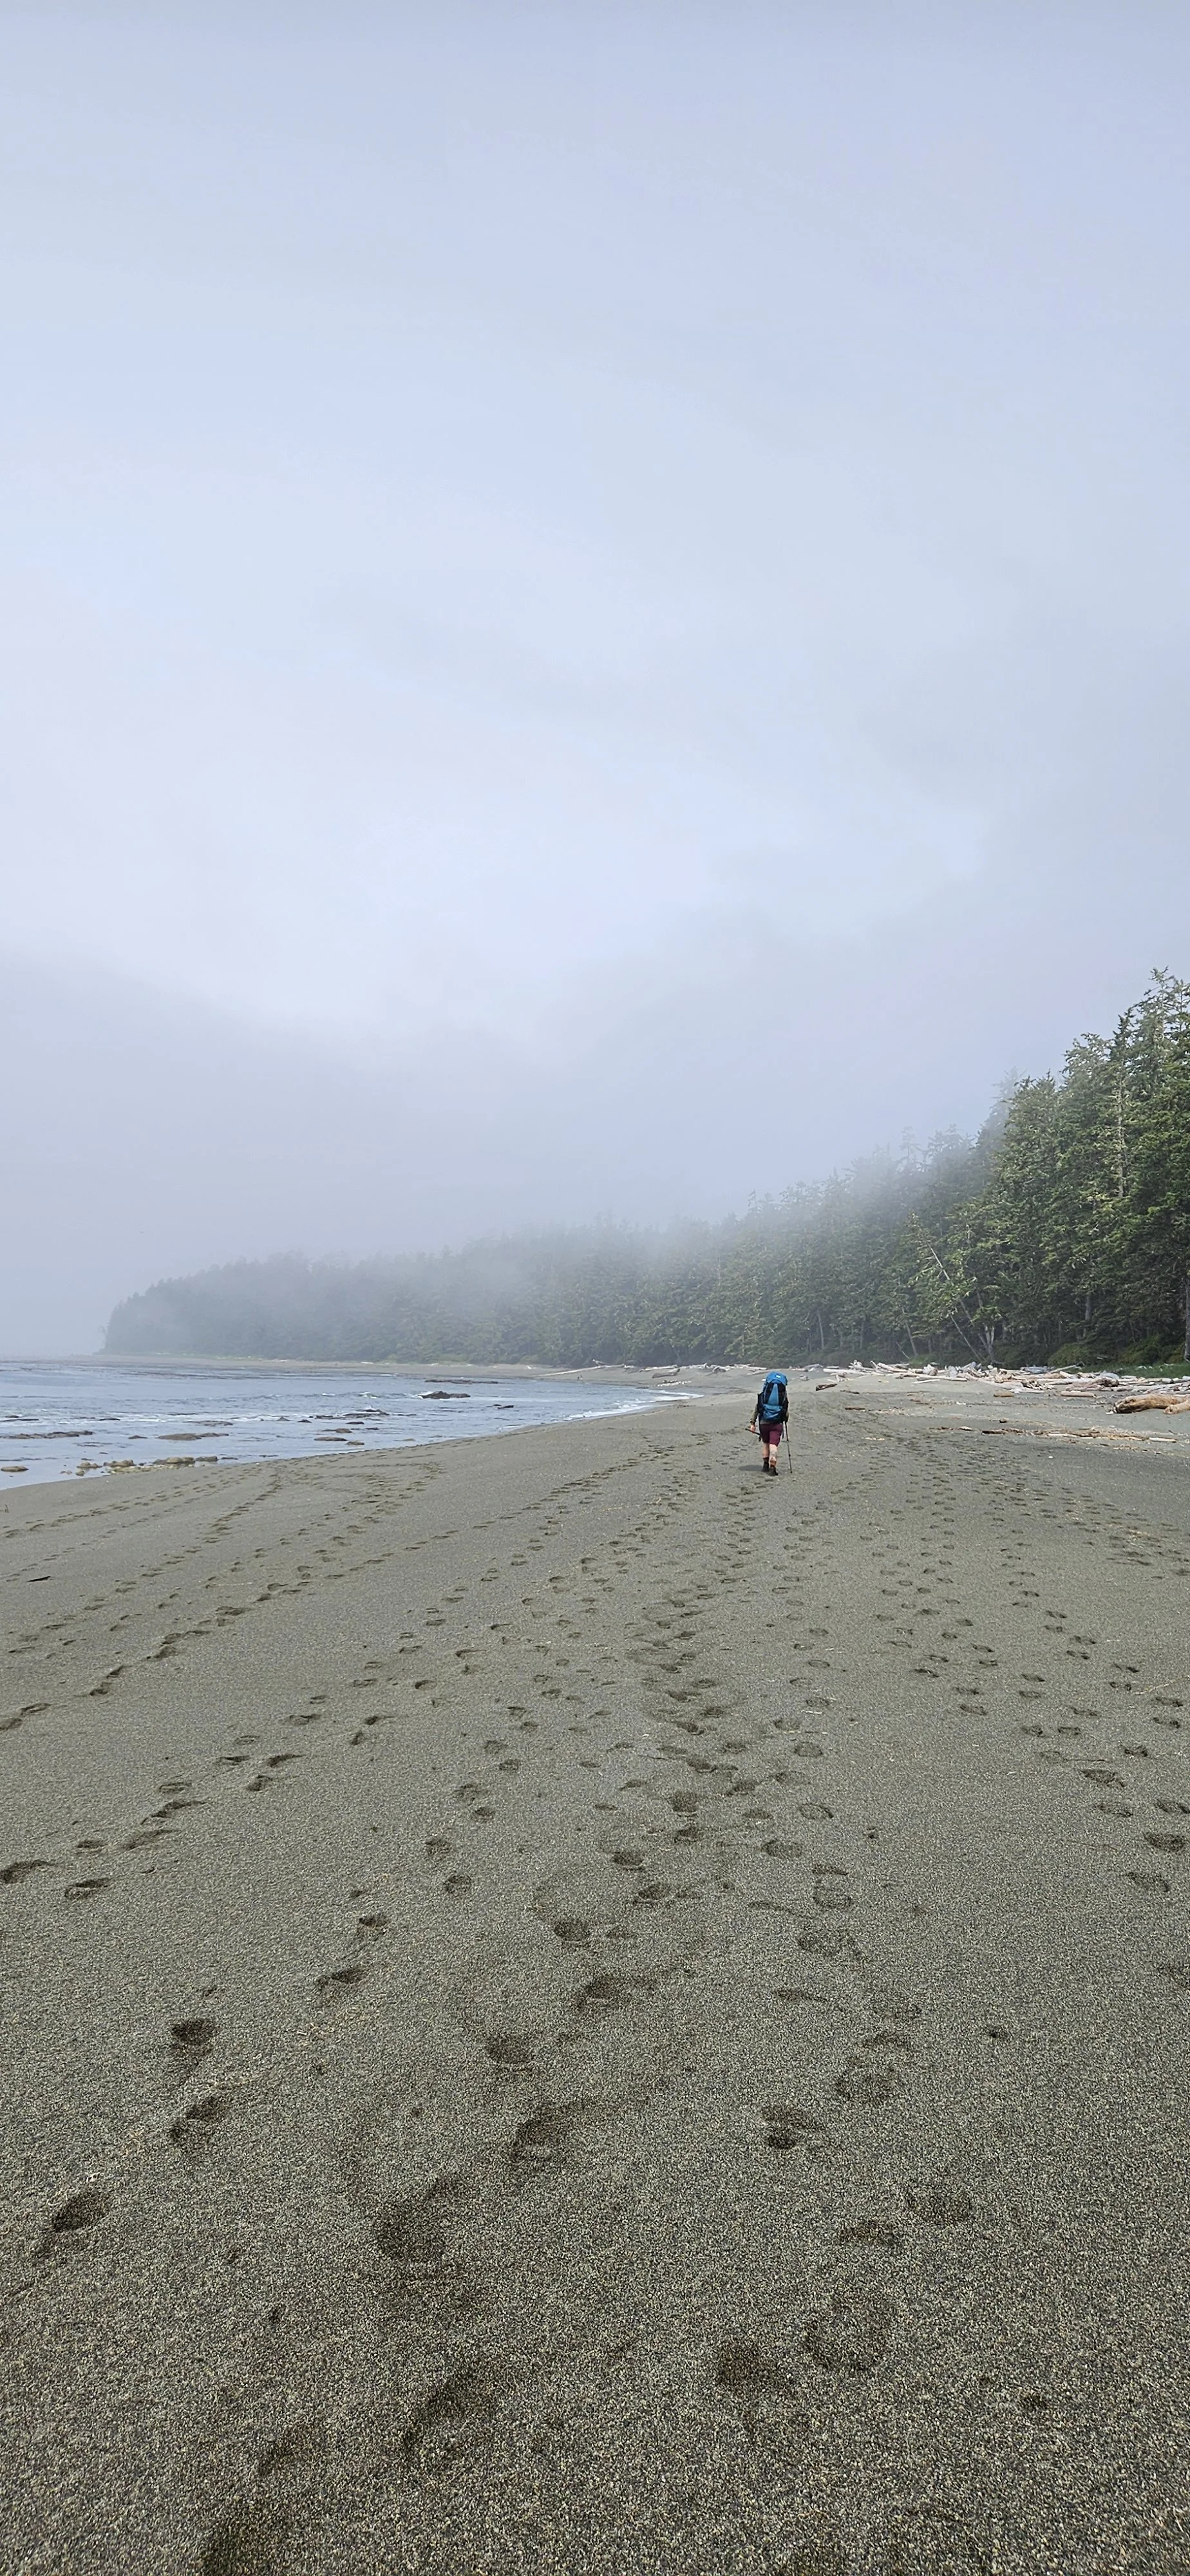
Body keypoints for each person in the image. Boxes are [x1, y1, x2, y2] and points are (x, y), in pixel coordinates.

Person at [750, 1368, 788, 1473]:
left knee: (766, 1443)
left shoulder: (764, 1395)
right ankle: (773, 1467)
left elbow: (758, 1408)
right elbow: (786, 1413)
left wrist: (752, 1423)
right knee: (773, 1445)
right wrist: (784, 1420)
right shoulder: (783, 1396)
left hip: (764, 1423)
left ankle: (765, 1466)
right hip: (777, 1423)